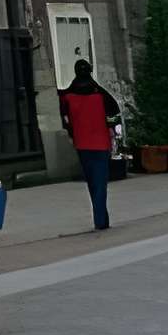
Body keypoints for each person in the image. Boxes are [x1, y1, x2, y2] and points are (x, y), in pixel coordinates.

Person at [59, 57, 121, 230]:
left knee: (92, 181)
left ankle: (100, 216)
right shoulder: (100, 94)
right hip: (101, 143)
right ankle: (101, 219)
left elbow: (66, 120)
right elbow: (114, 112)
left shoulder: (67, 97)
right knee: (101, 181)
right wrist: (112, 129)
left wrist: (72, 134)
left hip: (82, 144)